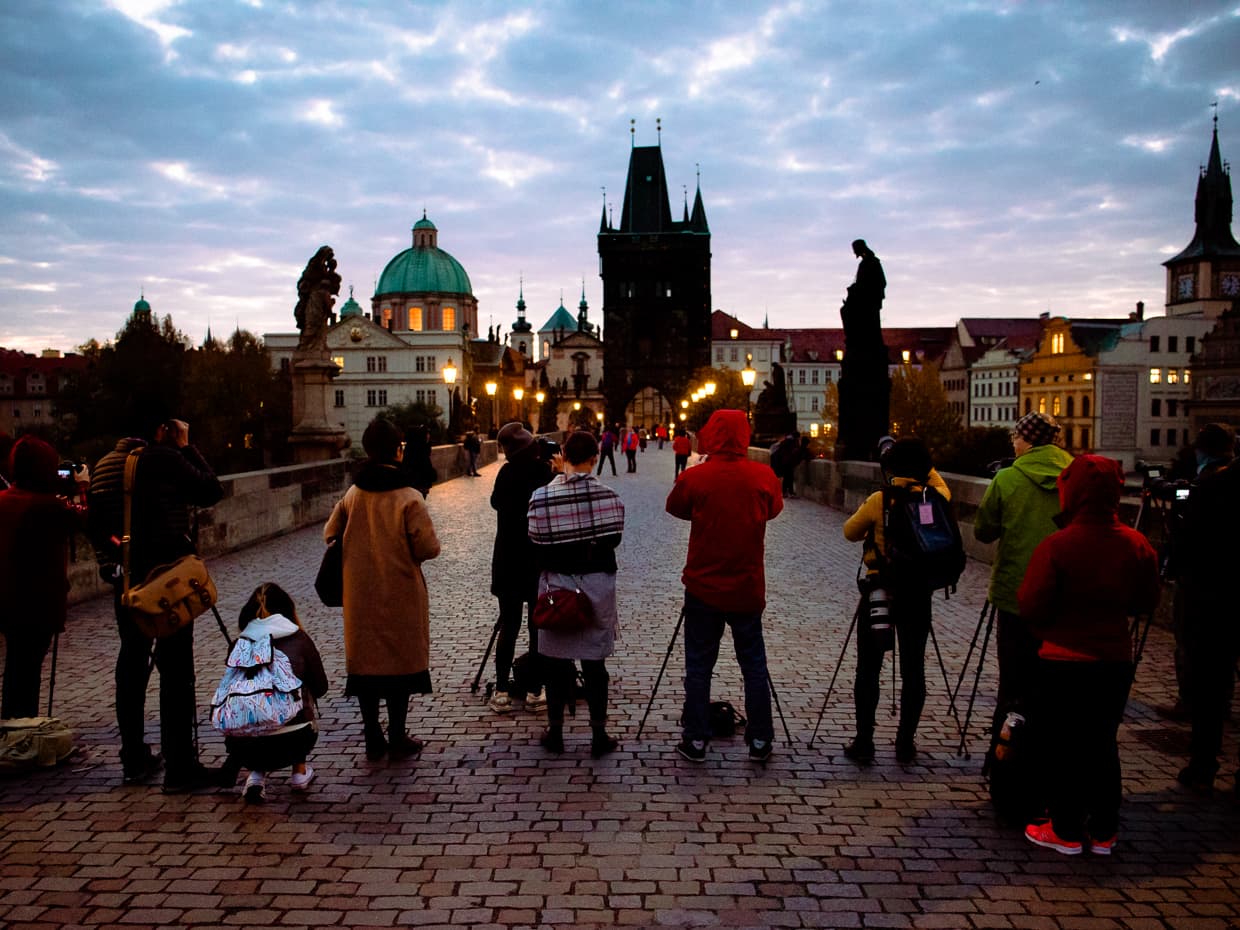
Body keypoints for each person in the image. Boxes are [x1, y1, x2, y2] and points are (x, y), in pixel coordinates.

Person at [1018, 455, 1159, 855]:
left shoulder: (1057, 546)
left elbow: (1030, 604)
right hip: (1114, 658)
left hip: (1062, 657)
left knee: (1063, 742)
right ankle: (1103, 829)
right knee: (1102, 741)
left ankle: (1063, 827)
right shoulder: (1136, 544)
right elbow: (1147, 599)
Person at [88, 418, 224, 790]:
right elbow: (211, 489)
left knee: (131, 665)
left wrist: (113, 561)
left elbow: (95, 523)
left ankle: (133, 759)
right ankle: (181, 766)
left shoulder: (104, 465)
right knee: (177, 671)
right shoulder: (163, 458)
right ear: (161, 428)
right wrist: (185, 446)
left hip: (128, 582)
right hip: (168, 581)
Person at [666, 410, 784, 762]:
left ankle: (697, 739)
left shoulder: (697, 477)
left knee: (700, 665)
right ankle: (761, 739)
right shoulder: (763, 475)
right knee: (754, 664)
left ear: (713, 435)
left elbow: (675, 507)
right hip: (747, 585)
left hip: (703, 585)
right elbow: (774, 510)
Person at [324, 417, 441, 761]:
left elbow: (330, 533)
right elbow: (428, 548)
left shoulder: (353, 494)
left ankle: (372, 734)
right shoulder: (409, 497)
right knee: (399, 668)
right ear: (397, 450)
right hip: (400, 592)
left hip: (360, 593)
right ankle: (398, 734)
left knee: (367, 669)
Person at [841, 437, 950, 764]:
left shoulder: (880, 499)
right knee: (913, 669)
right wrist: (927, 469)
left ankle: (864, 742)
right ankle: (905, 743)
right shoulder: (935, 499)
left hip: (880, 592)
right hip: (917, 593)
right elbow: (942, 486)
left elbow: (850, 531)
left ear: (890, 467)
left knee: (869, 668)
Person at [973, 411, 1073, 739]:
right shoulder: (1074, 475)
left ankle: (1004, 752)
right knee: (1054, 678)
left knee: (1013, 679)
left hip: (1014, 593)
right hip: (1062, 593)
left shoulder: (1006, 479)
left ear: (1027, 439)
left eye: (1015, 438)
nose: (1013, 444)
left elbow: (984, 532)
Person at [527, 431, 626, 757]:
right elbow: (613, 539)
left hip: (557, 585)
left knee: (556, 663)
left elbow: (535, 538)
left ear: (563, 456)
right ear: (595, 458)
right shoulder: (609, 496)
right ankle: (598, 735)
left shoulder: (540, 497)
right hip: (596, 585)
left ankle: (555, 732)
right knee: (595, 664)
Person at [218, 583, 328, 804]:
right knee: (296, 700)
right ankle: (299, 771)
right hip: (295, 739)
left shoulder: (239, 643)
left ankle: (256, 775)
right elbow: (321, 687)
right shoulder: (300, 639)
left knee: (255, 707)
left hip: (243, 746)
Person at [1176, 425, 1240, 794]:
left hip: (1211, 597)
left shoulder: (1208, 486)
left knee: (1211, 686)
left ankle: (1203, 764)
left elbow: (1186, 543)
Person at [0, 437, 82, 720]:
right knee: (27, 669)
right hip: (35, 602)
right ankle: (21, 731)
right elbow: (84, 521)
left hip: (8, 599)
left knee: (16, 666)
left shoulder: (5, 499)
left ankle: (13, 726)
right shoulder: (47, 506)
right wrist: (80, 489)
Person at [487, 422, 553, 713]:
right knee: (536, 627)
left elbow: (495, 502)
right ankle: (535, 690)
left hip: (507, 559)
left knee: (509, 625)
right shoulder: (543, 473)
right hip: (535, 559)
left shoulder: (505, 473)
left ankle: (501, 691)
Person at [402, 424, 437, 498]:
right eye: (426, 434)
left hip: (420, 485)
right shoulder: (418, 450)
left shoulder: (422, 448)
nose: (428, 436)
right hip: (417, 486)